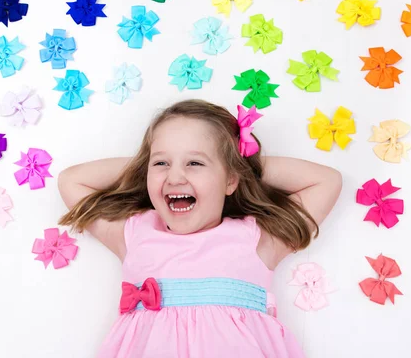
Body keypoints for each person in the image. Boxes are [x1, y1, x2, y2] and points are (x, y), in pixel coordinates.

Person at [57, 99, 342, 357]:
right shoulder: (133, 234)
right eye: (161, 163)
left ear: (232, 180)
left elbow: (326, 181)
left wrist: (239, 164)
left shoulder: (256, 239)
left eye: (195, 162)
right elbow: (71, 180)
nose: (175, 176)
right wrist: (144, 166)